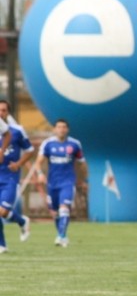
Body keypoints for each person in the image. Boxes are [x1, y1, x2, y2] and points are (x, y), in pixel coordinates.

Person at [33, 119, 89, 247]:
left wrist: (84, 179)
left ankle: (61, 236)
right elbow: (38, 163)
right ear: (54, 129)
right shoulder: (47, 144)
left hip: (68, 182)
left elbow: (82, 163)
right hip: (52, 183)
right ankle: (62, 235)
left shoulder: (75, 144)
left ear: (67, 129)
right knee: (54, 212)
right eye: (59, 127)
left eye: (64, 127)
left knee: (64, 208)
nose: (61, 129)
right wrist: (40, 174)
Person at [0, 100, 34, 253]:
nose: (1, 113)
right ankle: (2, 245)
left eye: (4, 110)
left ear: (8, 112)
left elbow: (30, 150)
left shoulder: (17, 130)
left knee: (3, 212)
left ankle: (22, 221)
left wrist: (18, 164)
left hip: (10, 177)